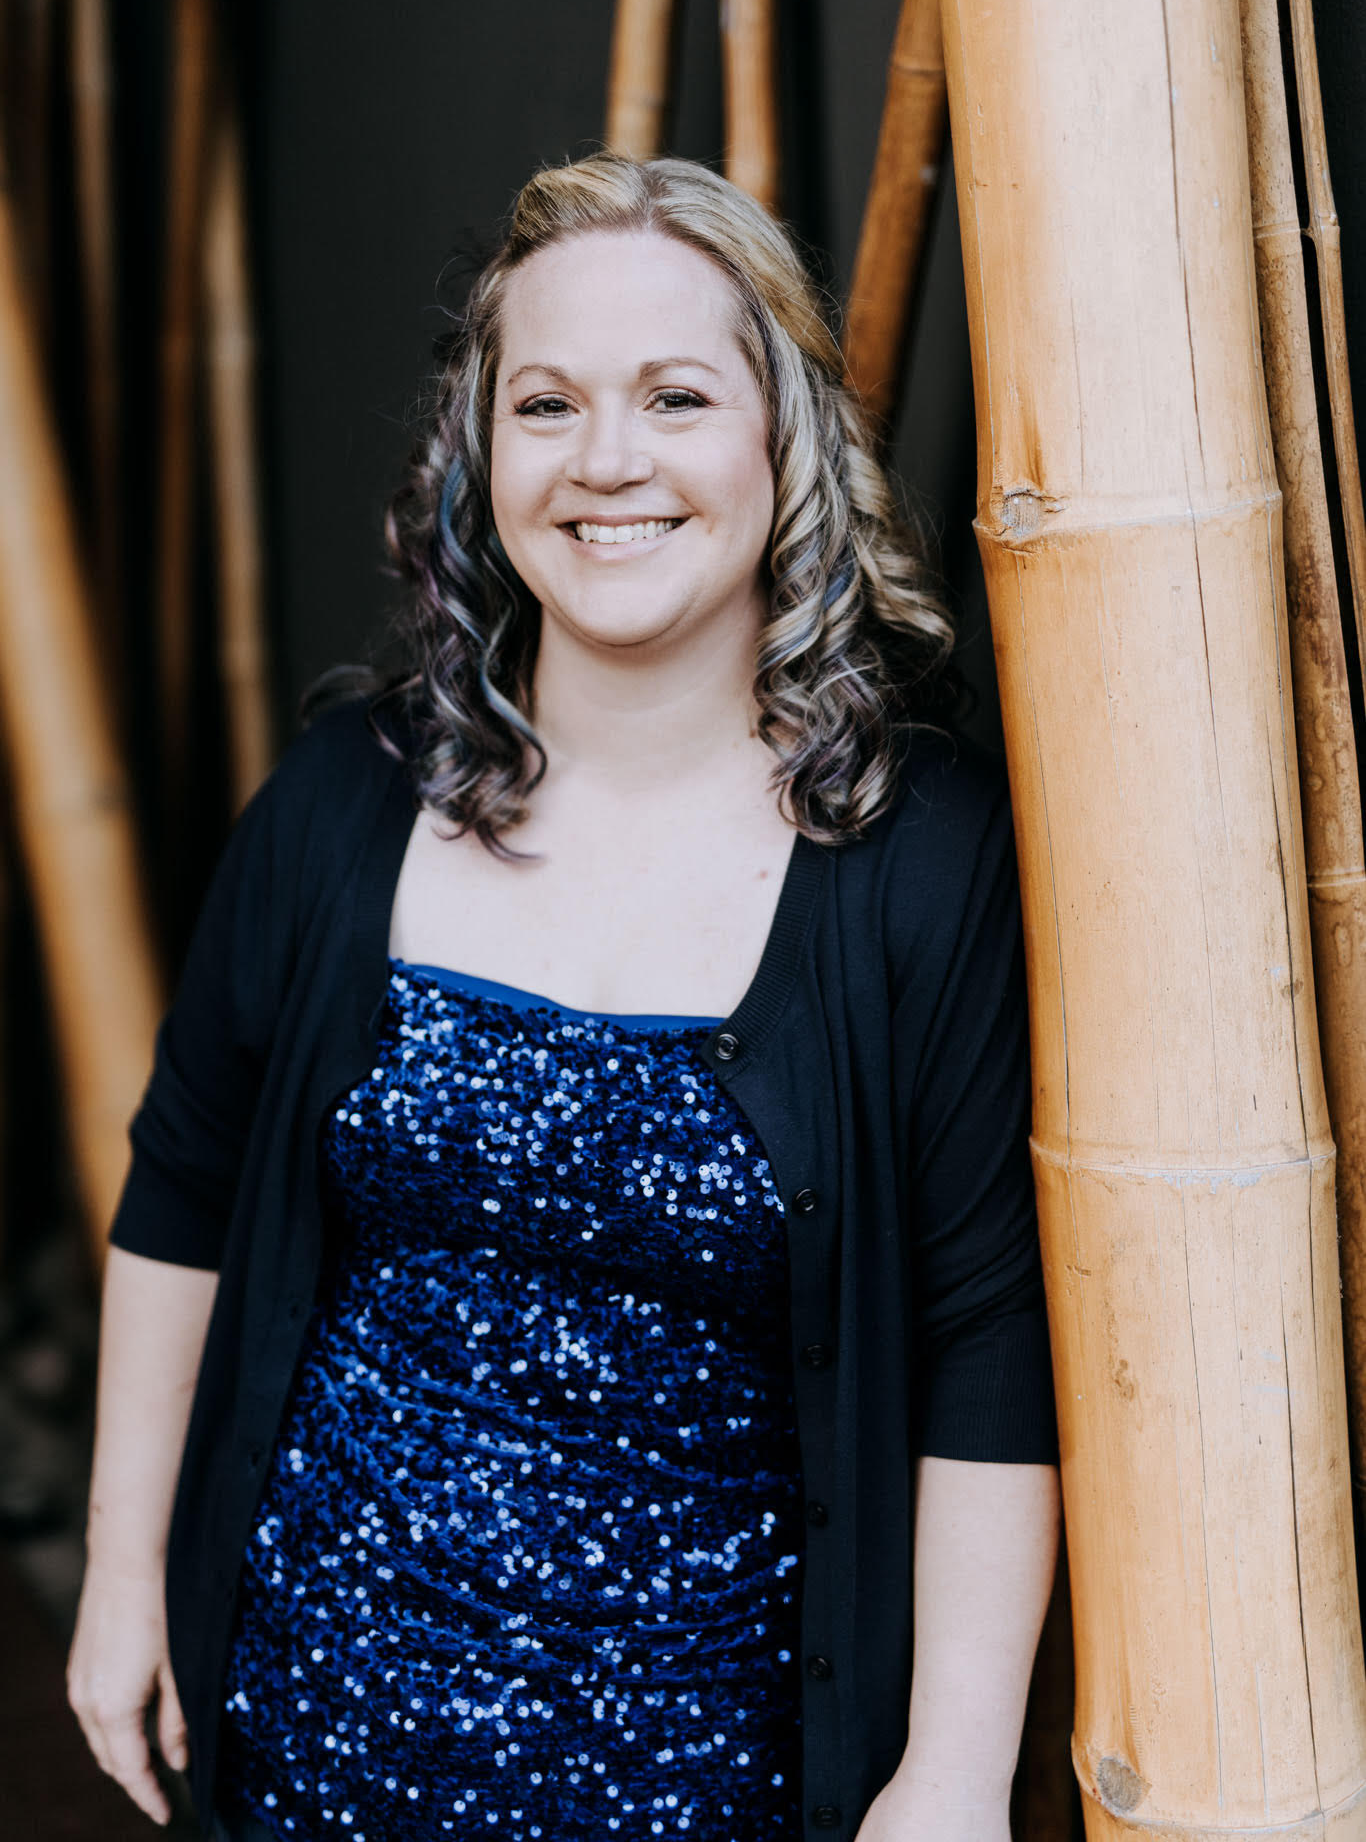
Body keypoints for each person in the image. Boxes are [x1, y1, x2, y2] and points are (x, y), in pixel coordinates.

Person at [67, 151, 1059, 1842]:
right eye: (547, 404)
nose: (608, 463)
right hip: (314, 1726)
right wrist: (116, 1573)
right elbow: (184, 1196)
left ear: (780, 442)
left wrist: (953, 1769)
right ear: (482, 449)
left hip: (718, 1775)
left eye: (675, 397)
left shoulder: (924, 858)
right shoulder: (339, 802)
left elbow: (981, 1340)